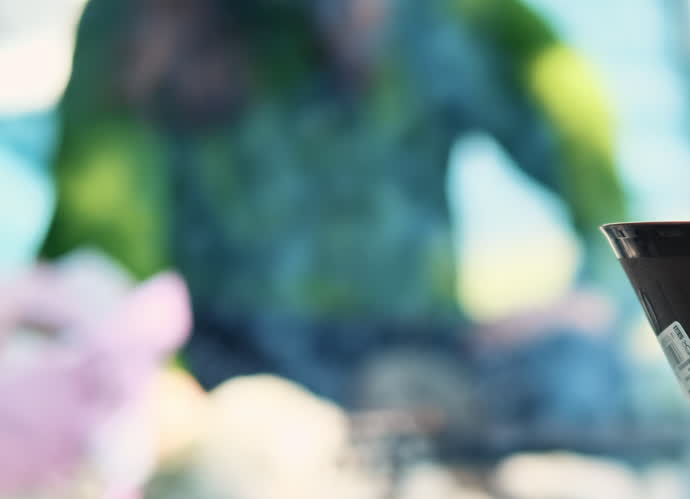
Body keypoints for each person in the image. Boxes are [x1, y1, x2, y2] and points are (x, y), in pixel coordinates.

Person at [43, 0, 644, 450]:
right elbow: (100, 263)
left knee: (576, 371)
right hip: (222, 367)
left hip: (417, 359)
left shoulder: (463, 21)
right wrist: (161, 400)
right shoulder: (141, 21)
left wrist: (597, 293)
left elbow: (594, 178)